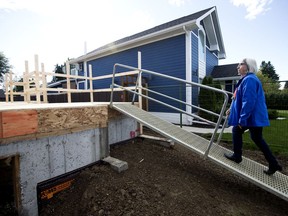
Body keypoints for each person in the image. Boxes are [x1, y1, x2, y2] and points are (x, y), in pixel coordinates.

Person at [224, 58, 282, 175]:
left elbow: (249, 101)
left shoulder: (249, 79)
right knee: (257, 138)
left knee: (237, 130)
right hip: (253, 116)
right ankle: (273, 163)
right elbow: (239, 98)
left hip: (251, 117)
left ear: (248, 66)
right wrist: (231, 109)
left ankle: (237, 156)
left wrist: (242, 120)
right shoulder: (247, 79)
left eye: (240, 64)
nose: (238, 67)